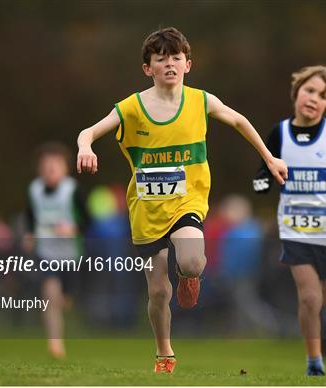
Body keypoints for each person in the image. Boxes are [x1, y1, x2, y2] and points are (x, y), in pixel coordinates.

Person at [77, 27, 287, 373]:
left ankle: (188, 276)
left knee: (191, 261)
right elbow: (89, 131)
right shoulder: (132, 107)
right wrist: (85, 147)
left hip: (186, 201)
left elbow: (237, 120)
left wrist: (269, 158)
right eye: (161, 59)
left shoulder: (201, 101)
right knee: (158, 292)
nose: (169, 64)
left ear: (188, 64)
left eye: (176, 58)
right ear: (149, 68)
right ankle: (164, 353)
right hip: (146, 209)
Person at [253, 65, 326, 376]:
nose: (314, 98)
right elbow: (264, 171)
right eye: (309, 91)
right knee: (310, 297)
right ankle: (314, 361)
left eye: (323, 96)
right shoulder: (280, 133)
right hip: (294, 230)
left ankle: (322, 342)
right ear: (296, 93)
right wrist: (261, 183)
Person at [25, 142, 90, 359]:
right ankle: (55, 342)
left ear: (65, 168)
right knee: (49, 293)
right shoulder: (34, 190)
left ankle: (66, 301)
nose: (50, 170)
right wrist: (29, 234)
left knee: (64, 301)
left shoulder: (73, 191)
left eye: (55, 165)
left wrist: (73, 228)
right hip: (46, 253)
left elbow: (89, 220)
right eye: (46, 166)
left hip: (71, 256)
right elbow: (30, 217)